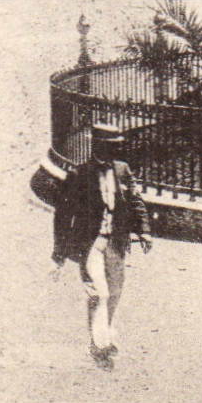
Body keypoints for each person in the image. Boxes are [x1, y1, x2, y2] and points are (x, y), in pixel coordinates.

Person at [51, 124, 151, 370]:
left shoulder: (122, 169)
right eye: (110, 146)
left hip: (116, 242)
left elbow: (135, 200)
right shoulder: (79, 174)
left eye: (116, 146)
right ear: (97, 145)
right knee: (99, 293)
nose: (114, 151)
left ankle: (103, 331)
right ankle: (99, 344)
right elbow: (63, 215)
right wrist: (60, 252)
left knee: (115, 291)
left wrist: (145, 231)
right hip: (91, 244)